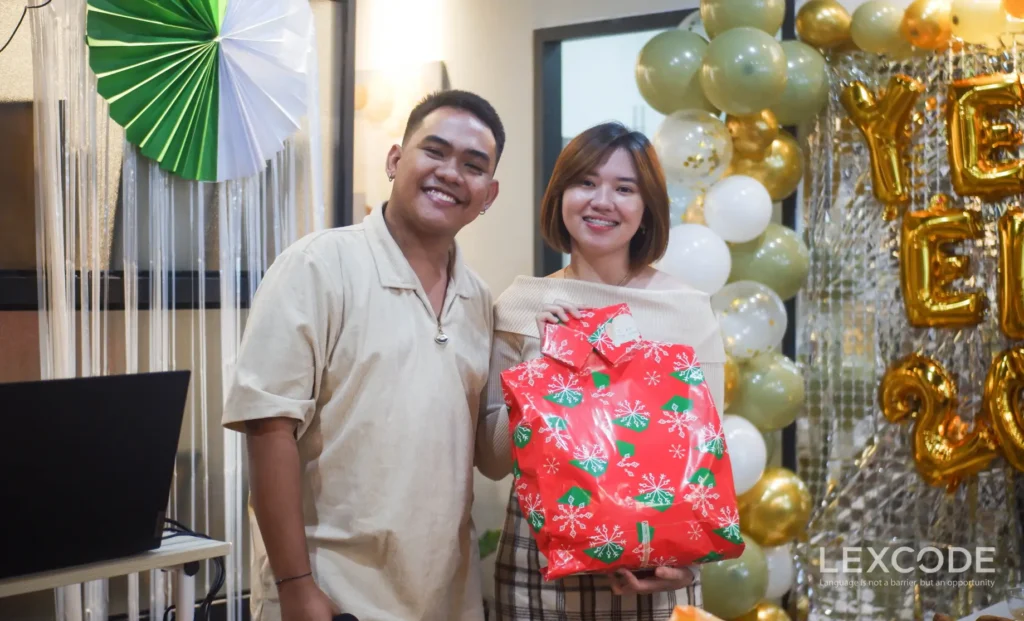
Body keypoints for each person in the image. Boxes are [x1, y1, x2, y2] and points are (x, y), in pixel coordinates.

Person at [222, 89, 504, 621]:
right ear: (396, 160)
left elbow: (487, 457)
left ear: (488, 194)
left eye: (472, 165)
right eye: (435, 151)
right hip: (332, 597)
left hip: (448, 597)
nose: (450, 172)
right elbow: (268, 430)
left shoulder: (480, 300)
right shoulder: (317, 266)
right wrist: (297, 585)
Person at [475, 122, 726, 621]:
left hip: (656, 567)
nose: (601, 201)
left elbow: (705, 459)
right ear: (560, 196)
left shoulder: (686, 311)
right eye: (585, 183)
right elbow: (493, 458)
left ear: (647, 206)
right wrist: (541, 371)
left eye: (624, 188)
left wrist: (687, 564)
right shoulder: (524, 306)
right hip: (540, 564)